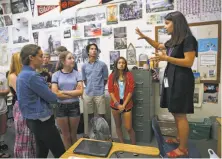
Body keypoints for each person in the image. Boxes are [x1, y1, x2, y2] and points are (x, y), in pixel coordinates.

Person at [136, 11, 197, 158]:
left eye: (167, 23)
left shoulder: (188, 39)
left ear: (177, 23)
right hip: (173, 80)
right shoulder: (174, 40)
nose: (165, 26)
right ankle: (178, 139)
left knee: (180, 114)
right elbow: (158, 45)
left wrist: (166, 58)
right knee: (176, 112)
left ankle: (183, 148)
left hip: (182, 81)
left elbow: (189, 62)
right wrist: (145, 38)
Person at [16, 44, 65, 158]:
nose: (43, 58)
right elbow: (51, 97)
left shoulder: (22, 74)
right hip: (42, 120)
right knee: (60, 152)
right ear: (31, 58)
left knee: (42, 151)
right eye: (40, 56)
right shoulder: (32, 76)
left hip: (32, 119)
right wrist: (60, 94)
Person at [52, 51, 83, 150]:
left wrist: (62, 92)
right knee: (66, 136)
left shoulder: (77, 74)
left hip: (74, 106)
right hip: (60, 107)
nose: (73, 60)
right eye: (70, 58)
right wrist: (73, 92)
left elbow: (80, 92)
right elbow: (55, 93)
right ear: (63, 61)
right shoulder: (56, 75)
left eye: (73, 58)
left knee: (73, 135)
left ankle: (75, 155)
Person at [8, 52, 36, 158]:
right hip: (22, 107)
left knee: (31, 135)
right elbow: (23, 93)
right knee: (24, 135)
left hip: (29, 106)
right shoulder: (13, 76)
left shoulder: (24, 74)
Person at [107, 57, 136, 147]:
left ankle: (134, 146)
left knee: (129, 127)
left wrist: (123, 105)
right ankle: (122, 144)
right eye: (119, 62)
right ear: (116, 64)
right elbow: (110, 91)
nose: (121, 64)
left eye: (123, 63)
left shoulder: (129, 75)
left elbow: (131, 91)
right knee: (118, 126)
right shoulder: (112, 76)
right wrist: (117, 104)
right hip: (115, 105)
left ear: (125, 64)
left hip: (126, 105)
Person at [81, 43, 108, 135]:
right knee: (89, 115)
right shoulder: (84, 66)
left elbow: (105, 79)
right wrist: (90, 87)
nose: (94, 50)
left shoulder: (102, 65)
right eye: (92, 49)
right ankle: (92, 133)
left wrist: (99, 87)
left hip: (99, 93)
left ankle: (103, 134)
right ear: (88, 52)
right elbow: (84, 80)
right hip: (88, 93)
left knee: (102, 115)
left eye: (95, 49)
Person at [0, 72, 10, 158]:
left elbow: (7, 90)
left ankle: (1, 144)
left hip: (2, 108)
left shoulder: (2, 76)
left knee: (2, 128)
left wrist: (1, 92)